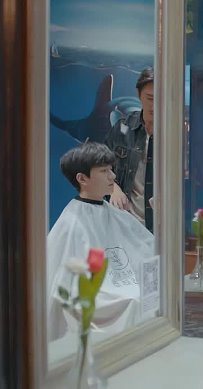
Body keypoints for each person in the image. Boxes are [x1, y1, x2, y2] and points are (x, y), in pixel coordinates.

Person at [47, 142, 155, 341]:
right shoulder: (72, 223)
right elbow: (73, 282)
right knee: (133, 300)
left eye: (111, 169)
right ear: (82, 178)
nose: (113, 176)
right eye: (104, 171)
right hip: (99, 293)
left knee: (154, 291)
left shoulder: (116, 214)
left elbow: (147, 247)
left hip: (122, 282)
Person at [105, 67, 155, 232]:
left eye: (161, 99)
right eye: (150, 98)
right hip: (125, 226)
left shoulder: (176, 135)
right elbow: (100, 168)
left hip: (161, 229)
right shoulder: (122, 129)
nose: (155, 105)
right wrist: (113, 188)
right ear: (138, 95)